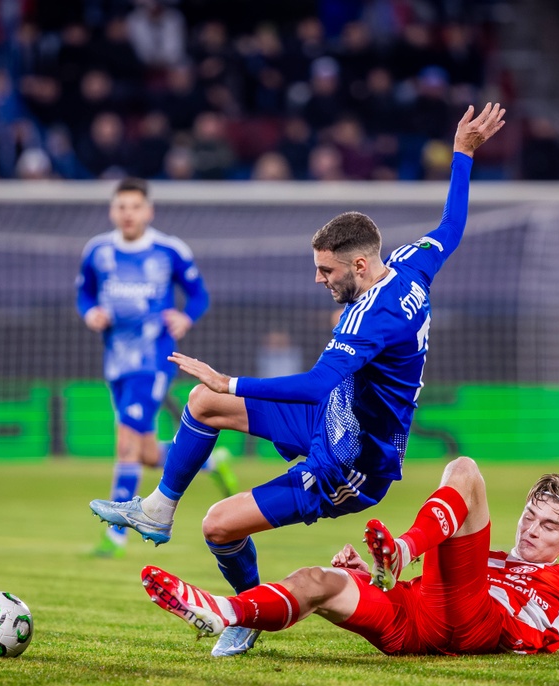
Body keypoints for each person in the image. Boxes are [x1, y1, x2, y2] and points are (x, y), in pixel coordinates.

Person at [91, 103, 508, 657]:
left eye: (326, 270)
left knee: (218, 525)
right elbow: (451, 227)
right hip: (332, 415)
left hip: (351, 460)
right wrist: (462, 154)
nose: (318, 279)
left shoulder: (373, 319)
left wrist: (231, 381)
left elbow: (314, 384)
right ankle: (158, 510)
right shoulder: (409, 265)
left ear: (358, 266)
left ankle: (248, 614)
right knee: (200, 402)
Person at [139, 457, 559, 658]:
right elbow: (425, 590)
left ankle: (404, 549)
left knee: (465, 472)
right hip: (416, 623)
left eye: (549, 525)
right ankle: (224, 612)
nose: (532, 530)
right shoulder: (491, 556)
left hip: (482, 622)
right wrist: (371, 581)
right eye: (530, 516)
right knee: (319, 580)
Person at [77, 177, 236, 557]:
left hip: (153, 360)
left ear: (148, 211)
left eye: (135, 206)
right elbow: (84, 293)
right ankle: (212, 462)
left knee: (125, 443)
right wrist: (90, 313)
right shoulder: (97, 251)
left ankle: (116, 535)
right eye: (121, 206)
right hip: (116, 361)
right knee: (146, 454)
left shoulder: (169, 250)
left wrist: (185, 318)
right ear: (112, 210)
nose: (128, 213)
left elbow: (198, 295)